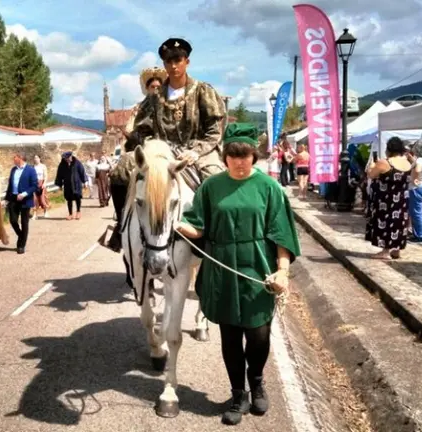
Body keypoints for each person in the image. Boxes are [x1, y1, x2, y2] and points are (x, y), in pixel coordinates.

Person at [176, 123, 301, 426]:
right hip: (222, 269)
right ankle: (237, 394)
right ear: (225, 156)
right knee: (230, 336)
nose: (239, 161)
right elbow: (199, 228)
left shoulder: (269, 188)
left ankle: (256, 382)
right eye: (233, 155)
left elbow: (282, 234)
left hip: (258, 269)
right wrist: (176, 224)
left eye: (245, 155)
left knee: (258, 335)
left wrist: (282, 271)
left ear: (253, 156)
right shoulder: (210, 187)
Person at [131, 37, 227, 189]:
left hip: (200, 152)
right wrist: (154, 146)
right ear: (164, 65)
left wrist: (195, 152)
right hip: (162, 152)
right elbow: (142, 130)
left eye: (178, 60)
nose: (173, 66)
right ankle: (125, 212)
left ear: (187, 62)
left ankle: (217, 212)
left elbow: (215, 130)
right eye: (168, 62)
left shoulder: (203, 91)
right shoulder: (153, 97)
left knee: (215, 178)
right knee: (126, 173)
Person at [366, 137, 411, 259]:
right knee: (399, 223)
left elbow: (371, 175)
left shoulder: (385, 162)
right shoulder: (407, 163)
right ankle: (396, 250)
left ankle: (385, 251)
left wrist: (372, 166)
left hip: (386, 199)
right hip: (402, 199)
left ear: (389, 149)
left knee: (386, 222)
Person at [4, 153, 38, 254]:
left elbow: (34, 186)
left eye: (15, 158)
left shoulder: (30, 170)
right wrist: (6, 199)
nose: (13, 160)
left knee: (24, 222)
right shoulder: (13, 169)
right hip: (13, 198)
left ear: (21, 159)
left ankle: (21, 245)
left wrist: (24, 194)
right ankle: (21, 235)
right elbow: (10, 185)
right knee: (13, 220)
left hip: (25, 199)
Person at [55, 151, 87, 221]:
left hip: (77, 183)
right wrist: (60, 184)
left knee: (77, 197)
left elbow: (82, 172)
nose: (67, 159)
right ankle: (70, 214)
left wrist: (84, 182)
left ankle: (78, 212)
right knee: (69, 199)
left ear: (71, 156)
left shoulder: (77, 163)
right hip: (67, 184)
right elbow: (59, 175)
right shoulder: (62, 164)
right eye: (65, 158)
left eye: (68, 158)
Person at [408, 141, 422, 243]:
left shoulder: (419, 161)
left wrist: (414, 178)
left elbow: (418, 169)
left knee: (416, 213)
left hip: (416, 188)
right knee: (418, 212)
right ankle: (417, 233)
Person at [32, 155, 50, 220]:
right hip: (34, 184)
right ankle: (35, 214)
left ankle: (45, 211)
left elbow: (45, 176)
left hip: (41, 183)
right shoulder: (33, 167)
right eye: (35, 158)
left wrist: (44, 183)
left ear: (39, 158)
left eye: (37, 158)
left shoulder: (43, 166)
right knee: (34, 199)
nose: (36, 159)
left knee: (43, 199)